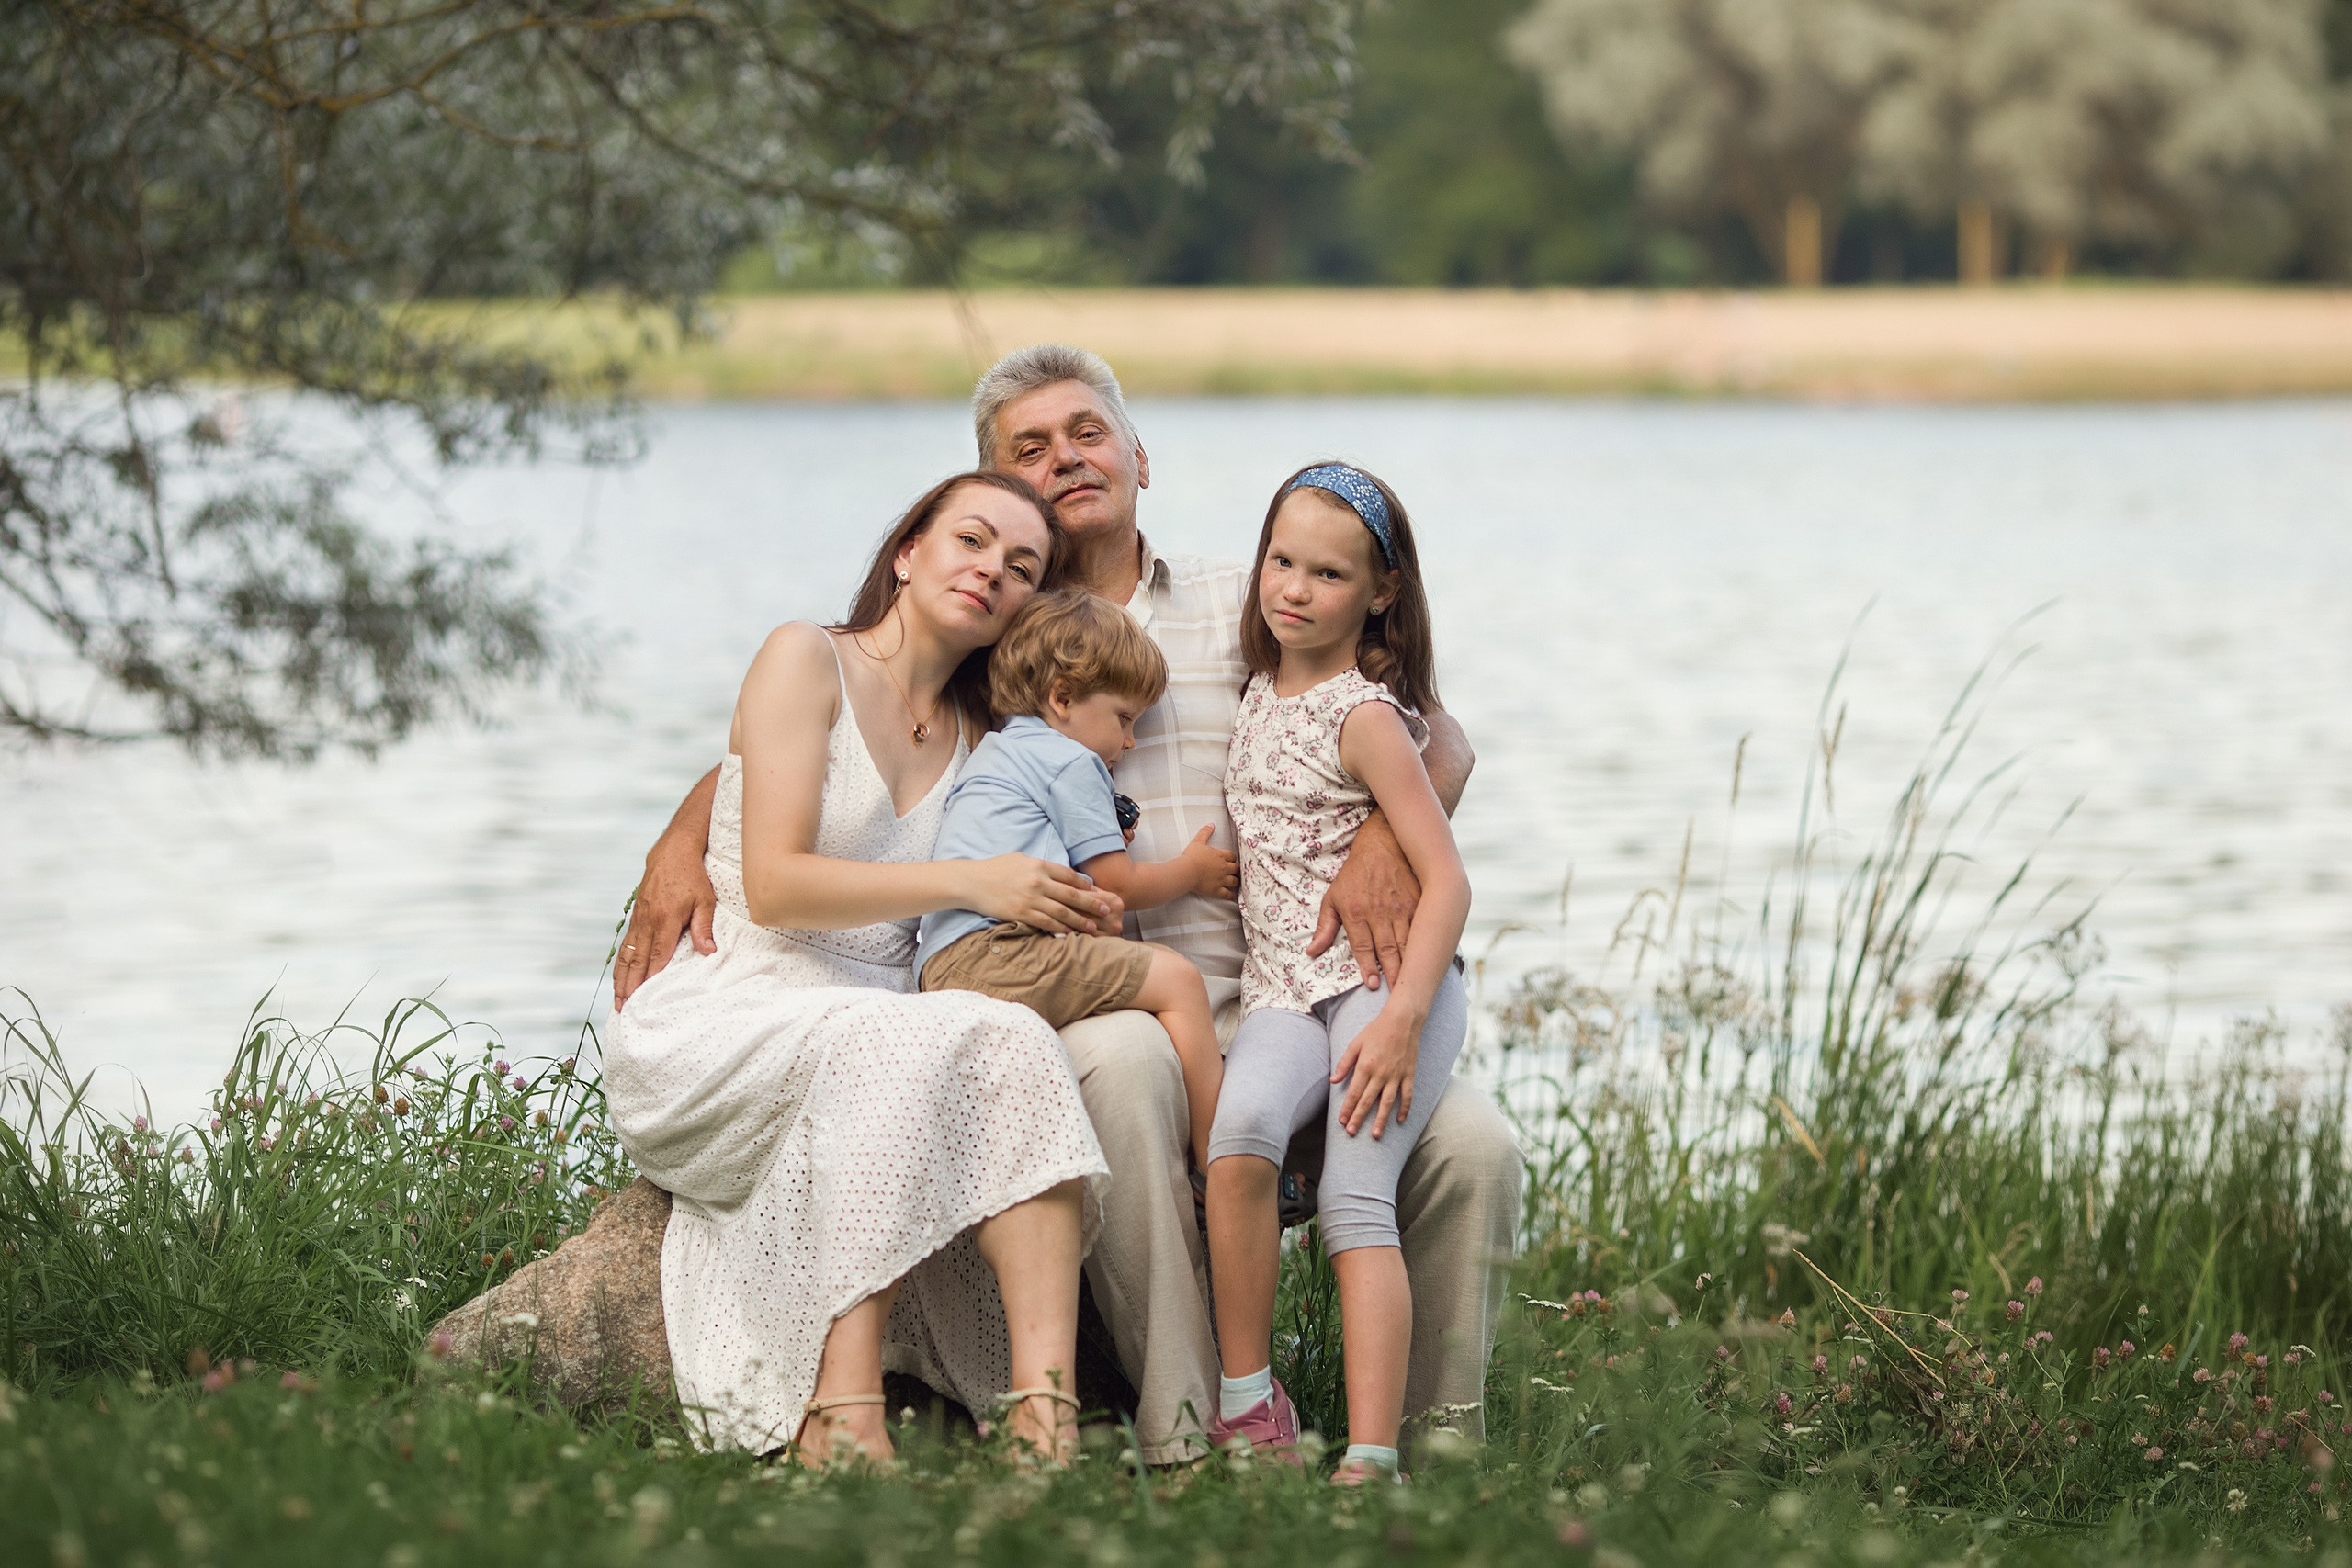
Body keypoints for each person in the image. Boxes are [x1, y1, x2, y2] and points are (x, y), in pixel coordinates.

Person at [616, 344, 1523, 1464]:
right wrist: (681, 838)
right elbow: (833, 732)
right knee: (1135, 1066)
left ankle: (1438, 1453)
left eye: (1086, 432)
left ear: (1140, 454)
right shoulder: (997, 639)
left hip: (1301, 990)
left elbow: (1435, 731)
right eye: (1026, 451)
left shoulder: (1251, 606)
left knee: (1473, 1144)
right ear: (987, 502)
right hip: (1102, 999)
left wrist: (1390, 831)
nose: (1065, 459)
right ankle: (1197, 1432)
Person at [603, 470, 1122, 1466]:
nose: (991, 572)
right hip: (731, 1003)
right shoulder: (805, 658)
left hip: (879, 1013)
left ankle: (1044, 1416)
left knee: (1012, 1037)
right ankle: (842, 1418)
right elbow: (780, 883)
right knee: (887, 1039)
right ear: (907, 552)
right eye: (970, 540)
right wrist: (980, 878)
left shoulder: (992, 744)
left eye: (1022, 569)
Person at [1204, 463, 1471, 1484]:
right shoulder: (1254, 694)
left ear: (1381, 594)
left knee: (1357, 1192)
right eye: (1280, 561)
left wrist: (1402, 1018)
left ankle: (1370, 1458)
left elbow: (1446, 883)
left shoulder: (1365, 717)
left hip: (1384, 986)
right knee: (1238, 1145)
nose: (1294, 590)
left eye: (1326, 573)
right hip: (1283, 988)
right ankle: (1247, 1407)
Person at [915, 590, 1237, 1169]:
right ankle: (1220, 1160)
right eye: (1123, 718)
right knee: (1178, 981)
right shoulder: (1071, 761)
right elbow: (1121, 886)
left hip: (943, 962)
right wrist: (1191, 871)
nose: (1131, 741)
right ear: (1062, 698)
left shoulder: (998, 753)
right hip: (998, 952)